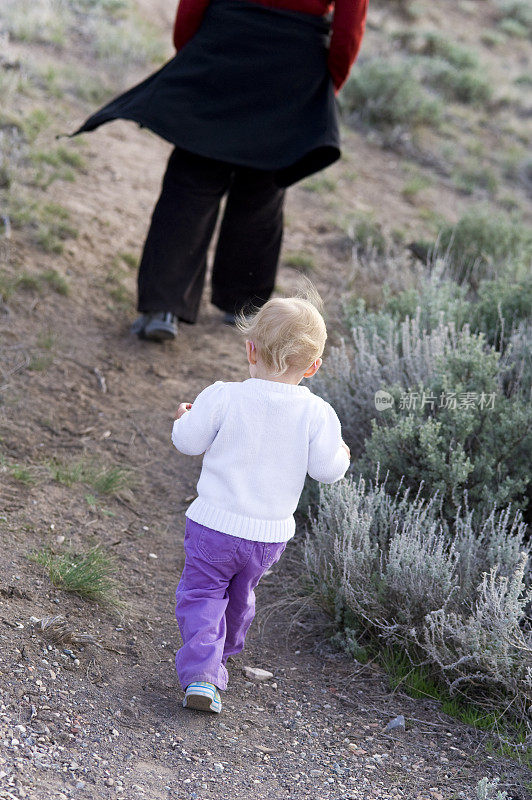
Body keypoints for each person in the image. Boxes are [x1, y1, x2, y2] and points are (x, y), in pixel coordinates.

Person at [71, 0, 369, 341]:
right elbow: (348, 30)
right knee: (263, 185)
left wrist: (197, 55)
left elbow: (190, 9)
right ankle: (243, 305)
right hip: (292, 65)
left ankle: (162, 307)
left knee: (192, 178)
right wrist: (321, 87)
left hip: (223, 45)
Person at [171, 285, 350, 713]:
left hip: (213, 527)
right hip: (267, 537)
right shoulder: (317, 413)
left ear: (250, 350)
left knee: (201, 594)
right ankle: (223, 651)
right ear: (313, 367)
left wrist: (184, 418)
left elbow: (188, 443)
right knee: (241, 593)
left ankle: (203, 673)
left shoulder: (223, 396)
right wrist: (342, 453)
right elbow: (327, 471)